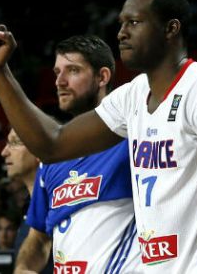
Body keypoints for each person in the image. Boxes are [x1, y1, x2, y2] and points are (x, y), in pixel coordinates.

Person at [0, 0, 197, 273]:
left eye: (134, 22)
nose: (121, 33)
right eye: (121, 23)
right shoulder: (133, 95)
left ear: (171, 28)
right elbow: (52, 144)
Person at [13, 35, 141, 273]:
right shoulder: (51, 161)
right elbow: (39, 240)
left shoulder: (133, 138)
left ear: (102, 77)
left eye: (72, 70)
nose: (59, 82)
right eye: (56, 72)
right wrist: (23, 268)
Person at [0, 128, 51, 274]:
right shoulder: (28, 206)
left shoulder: (61, 204)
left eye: (15, 143)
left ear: (41, 150)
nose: (4, 152)